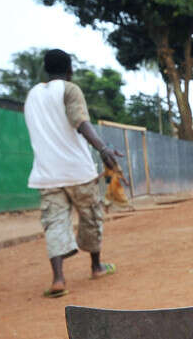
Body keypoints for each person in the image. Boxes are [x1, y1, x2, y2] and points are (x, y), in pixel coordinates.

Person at [24, 48, 123, 297]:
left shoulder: (33, 95)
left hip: (47, 173)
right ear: (70, 69)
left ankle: (58, 279)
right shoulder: (69, 89)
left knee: (54, 222)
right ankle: (96, 266)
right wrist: (103, 148)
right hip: (78, 170)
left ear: (46, 70)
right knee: (91, 216)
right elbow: (80, 121)